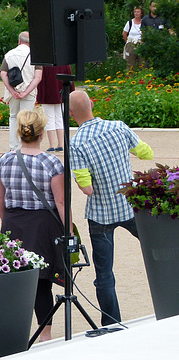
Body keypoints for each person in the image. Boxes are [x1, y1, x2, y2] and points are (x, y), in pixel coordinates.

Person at [68, 90, 154, 326]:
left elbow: (86, 189)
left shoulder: (75, 144)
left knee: (104, 275)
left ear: (71, 114)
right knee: (159, 250)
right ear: (92, 104)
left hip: (100, 213)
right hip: (129, 205)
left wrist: (82, 180)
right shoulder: (118, 127)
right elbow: (146, 153)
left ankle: (112, 323)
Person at [0, 108, 66, 342]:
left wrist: (6, 221)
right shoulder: (51, 163)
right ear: (42, 133)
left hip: (13, 221)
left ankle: (13, 331)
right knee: (41, 282)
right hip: (42, 224)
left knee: (13, 278)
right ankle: (45, 334)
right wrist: (69, 231)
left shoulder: (4, 160)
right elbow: (61, 202)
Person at [0, 31, 42, 151]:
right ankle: (25, 145)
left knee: (13, 117)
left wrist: (12, 91)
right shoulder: (35, 55)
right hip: (29, 91)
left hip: (13, 91)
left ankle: (14, 147)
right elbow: (38, 77)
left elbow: (3, 74)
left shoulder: (9, 54)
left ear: (19, 41)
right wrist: (26, 92)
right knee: (27, 119)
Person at [36, 65, 74, 152]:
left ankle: (51, 145)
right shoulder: (65, 65)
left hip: (47, 95)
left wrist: (40, 96)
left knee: (49, 119)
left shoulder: (45, 65)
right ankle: (60, 144)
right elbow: (71, 80)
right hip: (62, 95)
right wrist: (71, 93)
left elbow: (40, 81)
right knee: (60, 119)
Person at [122, 6, 145, 70]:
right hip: (131, 43)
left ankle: (143, 77)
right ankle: (130, 77)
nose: (136, 13)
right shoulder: (129, 23)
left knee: (142, 63)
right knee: (130, 64)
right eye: (135, 12)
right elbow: (124, 33)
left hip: (140, 43)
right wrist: (127, 42)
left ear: (141, 13)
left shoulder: (144, 22)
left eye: (138, 12)